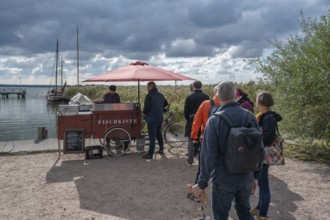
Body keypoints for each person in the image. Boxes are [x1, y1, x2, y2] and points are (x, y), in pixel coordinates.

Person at [192, 81, 259, 220]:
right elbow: (259, 149)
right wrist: (255, 176)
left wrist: (201, 183)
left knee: (220, 216)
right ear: (235, 94)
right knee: (245, 213)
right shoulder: (249, 116)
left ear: (217, 96)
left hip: (223, 179)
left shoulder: (214, 120)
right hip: (245, 177)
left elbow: (208, 155)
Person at [251, 91, 282, 220]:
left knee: (263, 185)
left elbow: (267, 138)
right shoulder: (265, 116)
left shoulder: (268, 118)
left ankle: (262, 215)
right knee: (262, 184)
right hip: (262, 154)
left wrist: (255, 143)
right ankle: (259, 208)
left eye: (257, 100)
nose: (256, 102)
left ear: (262, 102)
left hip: (263, 155)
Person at [187, 85, 221, 201]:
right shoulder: (227, 106)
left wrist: (193, 137)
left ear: (214, 93)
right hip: (223, 141)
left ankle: (198, 193)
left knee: (202, 167)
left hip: (206, 138)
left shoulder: (206, 104)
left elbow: (196, 122)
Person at [183, 80, 209, 166]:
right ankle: (201, 161)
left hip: (192, 121)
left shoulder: (189, 97)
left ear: (193, 86)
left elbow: (186, 112)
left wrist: (189, 119)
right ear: (201, 86)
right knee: (202, 141)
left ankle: (190, 161)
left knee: (191, 140)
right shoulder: (206, 96)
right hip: (204, 122)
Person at [142, 82, 169, 159]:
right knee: (159, 134)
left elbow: (146, 108)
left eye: (147, 86)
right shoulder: (160, 95)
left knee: (152, 137)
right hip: (159, 118)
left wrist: (144, 113)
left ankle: (150, 154)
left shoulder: (149, 96)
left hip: (151, 119)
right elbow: (166, 103)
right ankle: (161, 149)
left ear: (150, 87)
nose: (146, 88)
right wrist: (161, 109)